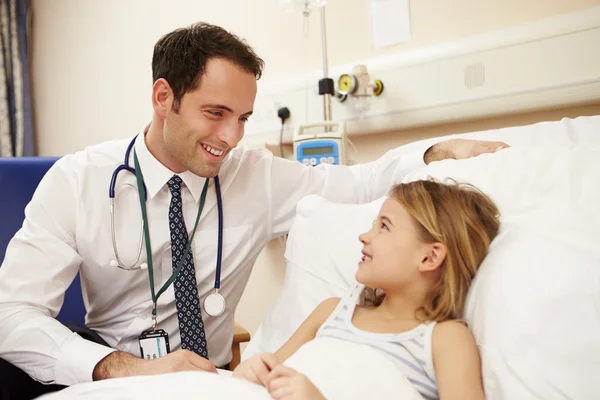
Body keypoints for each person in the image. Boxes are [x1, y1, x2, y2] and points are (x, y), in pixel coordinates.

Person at [0, 21, 507, 400]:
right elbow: (10, 316)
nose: (231, 137)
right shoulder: (78, 181)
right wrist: (121, 367)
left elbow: (358, 182)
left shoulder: (257, 175)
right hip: (115, 373)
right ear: (163, 97)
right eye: (215, 114)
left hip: (214, 378)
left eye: (242, 117)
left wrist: (436, 151)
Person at [233, 179, 501, 400]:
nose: (365, 236)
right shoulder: (330, 312)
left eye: (384, 226)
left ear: (429, 258)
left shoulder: (445, 338)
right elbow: (272, 373)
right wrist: (253, 372)